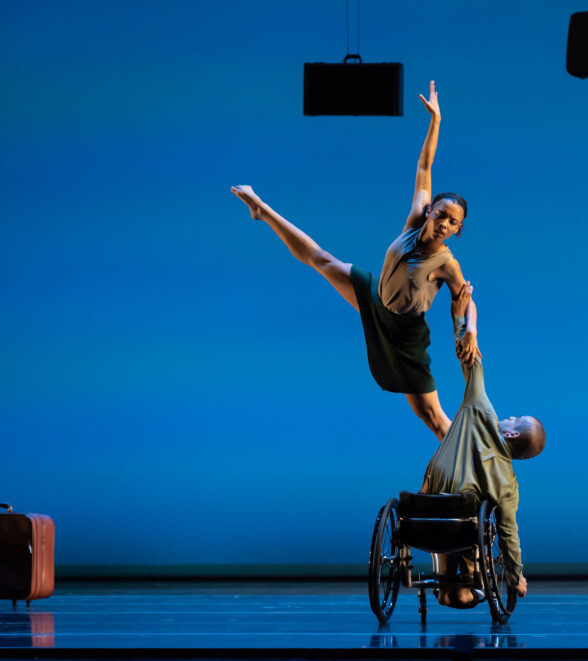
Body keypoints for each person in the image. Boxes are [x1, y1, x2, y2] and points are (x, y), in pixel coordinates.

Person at [231, 80, 477, 440]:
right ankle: (262, 209)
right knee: (321, 259)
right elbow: (424, 165)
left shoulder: (446, 263)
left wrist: (469, 331)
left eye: (454, 223)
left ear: (457, 230)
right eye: (441, 214)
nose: (445, 224)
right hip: (375, 298)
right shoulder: (414, 219)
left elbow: (465, 300)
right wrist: (435, 121)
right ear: (430, 212)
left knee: (433, 417)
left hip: (405, 335)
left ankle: (474, 474)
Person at [420, 285, 546, 608]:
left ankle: (450, 584)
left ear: (512, 435)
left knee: (459, 508)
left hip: (425, 501)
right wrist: (515, 577)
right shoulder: (508, 486)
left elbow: (467, 349)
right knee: (478, 524)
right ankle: (464, 585)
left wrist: (460, 318)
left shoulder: (480, 405)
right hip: (459, 523)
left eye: (515, 419)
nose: (510, 416)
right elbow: (508, 536)